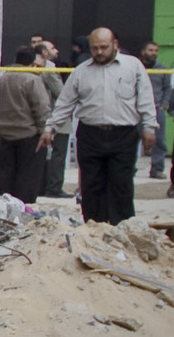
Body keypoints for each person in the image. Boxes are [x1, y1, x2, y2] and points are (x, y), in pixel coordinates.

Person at [42, 27, 155, 226]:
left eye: (104, 47)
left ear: (115, 45)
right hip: (90, 135)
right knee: (91, 185)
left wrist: (149, 128)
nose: (99, 52)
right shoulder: (81, 72)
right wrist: (50, 128)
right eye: (95, 48)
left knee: (121, 184)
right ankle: (94, 228)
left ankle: (122, 229)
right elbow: (65, 103)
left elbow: (146, 99)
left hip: (123, 136)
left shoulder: (133, 66)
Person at [0, 47, 52, 203]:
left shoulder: (2, 78)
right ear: (33, 63)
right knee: (27, 177)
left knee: (5, 174)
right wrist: (45, 130)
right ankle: (23, 206)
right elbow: (41, 108)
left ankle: (3, 204)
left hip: (4, 134)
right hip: (28, 135)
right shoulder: (32, 79)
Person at [32, 35, 70, 197]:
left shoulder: (33, 67)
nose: (57, 51)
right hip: (56, 117)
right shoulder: (49, 68)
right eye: (52, 48)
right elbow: (61, 93)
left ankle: (42, 186)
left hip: (41, 117)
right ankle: (54, 187)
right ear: (45, 53)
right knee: (58, 154)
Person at [146, 41, 171, 180]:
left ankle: (157, 169)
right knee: (131, 140)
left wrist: (164, 104)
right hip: (137, 110)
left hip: (157, 109)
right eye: (150, 50)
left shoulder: (162, 68)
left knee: (160, 141)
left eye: (156, 51)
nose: (153, 53)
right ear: (144, 51)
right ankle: (129, 170)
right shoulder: (136, 67)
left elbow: (167, 88)